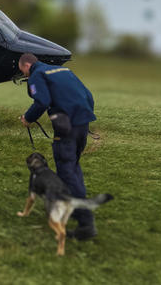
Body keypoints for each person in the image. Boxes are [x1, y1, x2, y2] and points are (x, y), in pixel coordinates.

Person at [18, 52, 99, 241]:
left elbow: (42, 101)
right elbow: (89, 96)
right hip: (82, 125)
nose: (25, 76)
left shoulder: (37, 75)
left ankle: (86, 223)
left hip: (67, 128)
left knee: (66, 173)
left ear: (27, 66)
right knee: (74, 168)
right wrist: (82, 120)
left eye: (23, 72)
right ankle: (78, 208)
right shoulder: (63, 70)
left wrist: (28, 118)